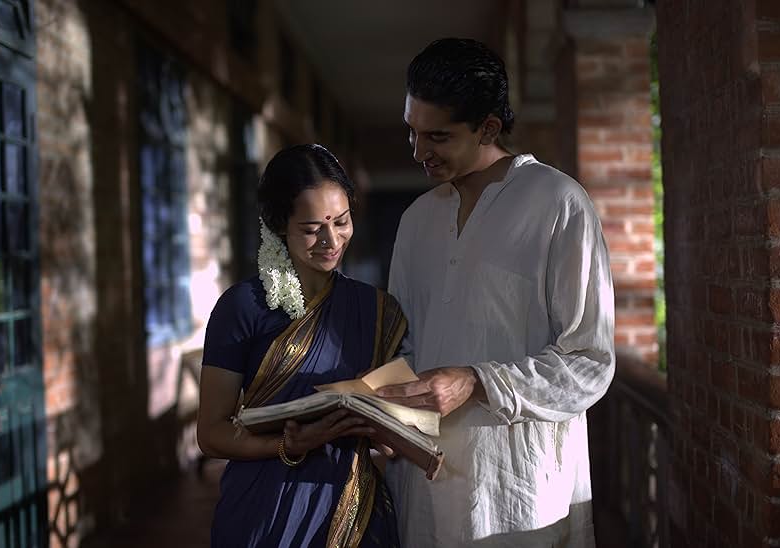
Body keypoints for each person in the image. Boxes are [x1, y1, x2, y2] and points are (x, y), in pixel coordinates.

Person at [376, 38, 616, 547]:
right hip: (426, 486)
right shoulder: (417, 221)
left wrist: (477, 381)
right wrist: (377, 408)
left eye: (437, 136)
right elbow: (403, 346)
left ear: (488, 127)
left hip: (519, 490)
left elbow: (590, 362)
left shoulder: (558, 204)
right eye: (412, 133)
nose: (420, 152)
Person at [197, 144, 405, 548]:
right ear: (279, 226)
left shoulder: (374, 308)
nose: (331, 240)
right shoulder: (243, 308)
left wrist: (386, 425)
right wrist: (287, 445)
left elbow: (393, 418)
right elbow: (211, 433)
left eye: (341, 222)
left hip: (352, 505)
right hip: (264, 507)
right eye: (312, 229)